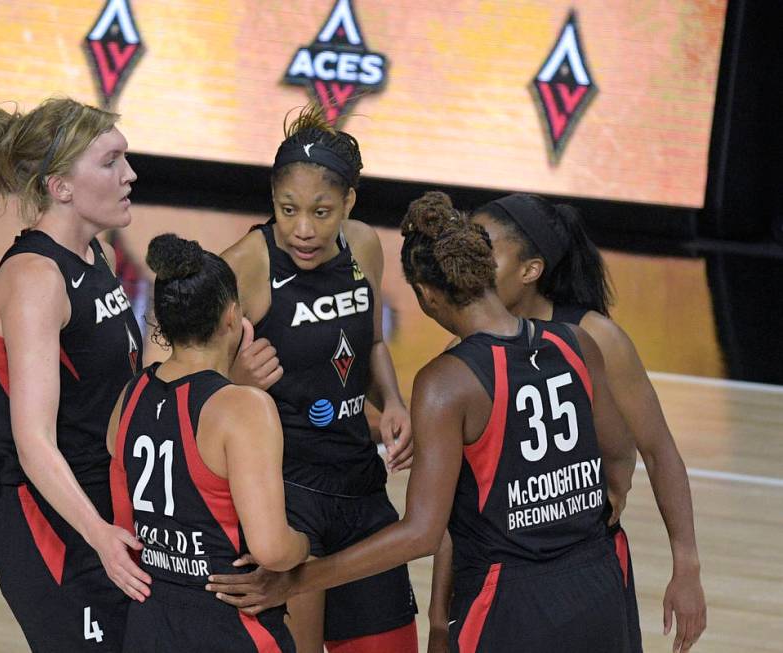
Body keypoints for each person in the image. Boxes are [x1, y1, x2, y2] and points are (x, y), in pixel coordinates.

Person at [207, 191, 639, 652]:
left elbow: (421, 533)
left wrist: (296, 581)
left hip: (511, 603)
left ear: (428, 295)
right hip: (601, 587)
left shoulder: (447, 381)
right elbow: (619, 459)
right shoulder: (576, 343)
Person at [426, 193, 706, 653]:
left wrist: (687, 566)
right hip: (506, 582)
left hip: (586, 570)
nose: (470, 257)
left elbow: (658, 452)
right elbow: (459, 508)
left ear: (531, 270)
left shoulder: (595, 338)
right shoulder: (465, 355)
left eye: (484, 246)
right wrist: (440, 617)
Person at [216, 106, 418, 652]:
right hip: (286, 491)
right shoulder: (244, 265)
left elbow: (372, 341)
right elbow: (177, 379)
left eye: (322, 212)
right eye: (288, 210)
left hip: (359, 481)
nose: (303, 229)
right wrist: (235, 378)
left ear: (349, 202)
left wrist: (393, 402)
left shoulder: (365, 246)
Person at [0, 97, 150, 651]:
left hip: (112, 512)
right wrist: (97, 535)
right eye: (110, 161)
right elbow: (34, 442)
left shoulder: (94, 255)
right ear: (60, 187)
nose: (130, 174)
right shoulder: (35, 280)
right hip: (59, 531)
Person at [108, 233, 310, 652]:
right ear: (233, 316)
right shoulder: (242, 407)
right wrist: (304, 544)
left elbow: (126, 528)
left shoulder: (130, 397)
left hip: (150, 624)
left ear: (161, 321)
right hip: (229, 625)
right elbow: (272, 549)